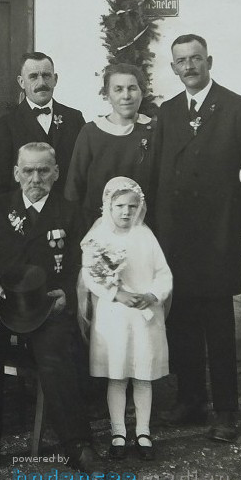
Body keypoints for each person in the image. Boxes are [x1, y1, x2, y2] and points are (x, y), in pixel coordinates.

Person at [147, 34, 241, 443]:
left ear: (209, 61)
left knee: (217, 326)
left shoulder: (237, 108)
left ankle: (227, 411)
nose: (190, 66)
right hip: (175, 237)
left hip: (218, 236)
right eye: (181, 61)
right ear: (174, 68)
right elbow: (152, 172)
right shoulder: (166, 112)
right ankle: (191, 400)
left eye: (196, 58)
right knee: (181, 322)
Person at [0, 142, 97, 474]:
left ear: (56, 172)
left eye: (44, 170)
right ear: (16, 173)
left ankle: (77, 444)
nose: (36, 178)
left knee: (56, 350)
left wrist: (67, 294)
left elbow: (81, 266)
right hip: (4, 302)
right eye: (29, 170)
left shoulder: (71, 212)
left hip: (48, 304)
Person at [80, 178, 172, 461]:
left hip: (144, 318)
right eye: (119, 206)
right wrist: (116, 294)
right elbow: (90, 275)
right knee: (117, 376)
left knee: (143, 377)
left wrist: (152, 295)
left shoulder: (145, 236)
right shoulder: (98, 236)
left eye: (132, 206)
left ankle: (143, 431)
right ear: (108, 205)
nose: (126, 212)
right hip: (114, 317)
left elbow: (163, 273)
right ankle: (118, 431)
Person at [65, 63, 155, 225]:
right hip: (97, 228)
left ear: (142, 92)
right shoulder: (91, 133)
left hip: (144, 229)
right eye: (118, 89)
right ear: (107, 95)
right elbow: (74, 187)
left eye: (132, 88)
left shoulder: (154, 131)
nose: (126, 96)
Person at [0, 52, 84, 199]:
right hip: (24, 213)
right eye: (33, 77)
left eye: (46, 76)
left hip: (67, 213)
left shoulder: (74, 118)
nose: (41, 83)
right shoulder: (6, 124)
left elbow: (82, 173)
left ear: (55, 79)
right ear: (21, 82)